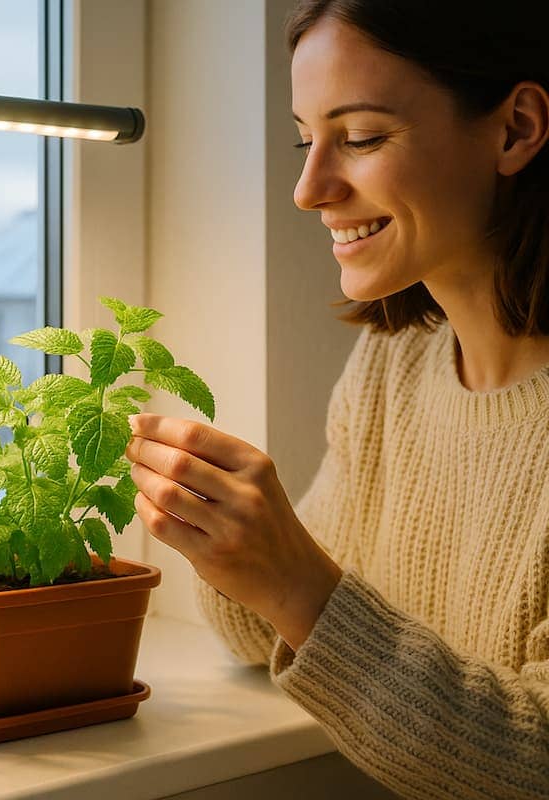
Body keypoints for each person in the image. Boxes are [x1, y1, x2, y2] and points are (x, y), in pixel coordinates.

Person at [124, 2, 549, 798]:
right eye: (304, 138)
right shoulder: (395, 363)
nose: (308, 188)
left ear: (516, 128)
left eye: (359, 138)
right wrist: (229, 539)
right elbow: (263, 629)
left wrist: (295, 583)